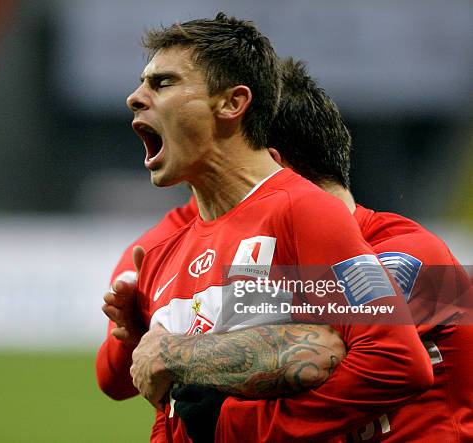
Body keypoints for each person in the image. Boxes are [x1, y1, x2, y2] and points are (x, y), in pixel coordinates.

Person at [102, 13, 433, 442]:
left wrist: (241, 427)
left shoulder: (306, 211)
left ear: (231, 103)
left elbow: (395, 361)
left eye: (162, 83)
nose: (135, 97)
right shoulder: (164, 251)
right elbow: (172, 410)